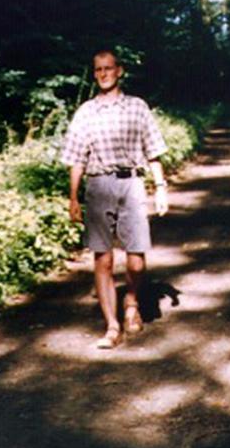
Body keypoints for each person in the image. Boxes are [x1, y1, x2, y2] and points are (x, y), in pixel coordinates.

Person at [61, 49, 169, 349]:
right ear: (94, 74)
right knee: (103, 258)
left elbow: (153, 151)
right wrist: (73, 197)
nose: (104, 74)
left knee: (136, 259)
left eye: (109, 68)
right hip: (98, 186)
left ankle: (131, 302)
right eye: (98, 70)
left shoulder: (137, 107)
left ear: (119, 71)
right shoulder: (86, 112)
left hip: (132, 184)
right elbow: (76, 159)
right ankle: (112, 326)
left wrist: (160, 186)